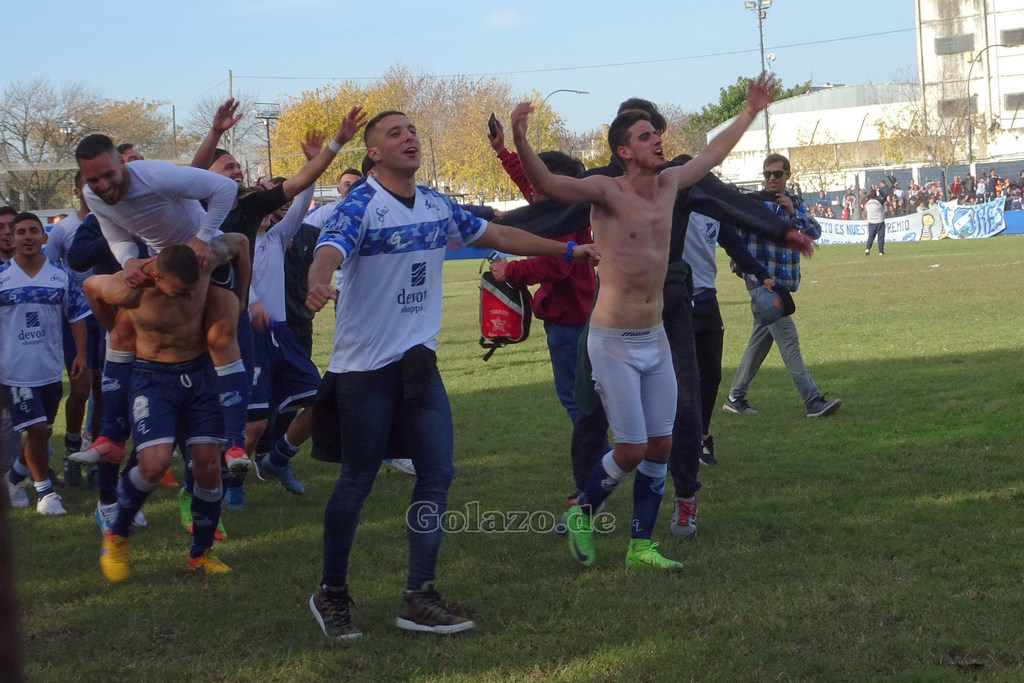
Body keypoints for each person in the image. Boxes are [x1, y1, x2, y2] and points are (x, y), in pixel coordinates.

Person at [305, 109, 599, 640]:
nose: (409, 137)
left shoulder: (436, 204)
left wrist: (570, 249)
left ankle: (419, 596)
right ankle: (332, 591)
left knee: (437, 475)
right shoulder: (359, 204)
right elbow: (329, 249)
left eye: (412, 130)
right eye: (395, 132)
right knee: (357, 482)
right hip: (364, 370)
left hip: (418, 365)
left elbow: (499, 234)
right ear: (374, 152)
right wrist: (318, 280)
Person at [511, 74, 779, 570]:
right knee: (632, 449)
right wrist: (521, 140)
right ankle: (582, 513)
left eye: (656, 133)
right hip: (613, 341)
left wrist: (749, 111)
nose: (657, 139)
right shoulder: (605, 191)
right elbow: (547, 185)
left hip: (655, 337)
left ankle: (640, 546)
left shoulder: (671, 184)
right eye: (645, 135)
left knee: (661, 444)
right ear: (625, 151)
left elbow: (712, 155)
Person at [84, 234, 250, 581]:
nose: (190, 297)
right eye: (180, 292)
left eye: (193, 289)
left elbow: (240, 243)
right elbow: (89, 286)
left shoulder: (204, 259)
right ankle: (117, 535)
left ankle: (201, 553)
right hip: (153, 378)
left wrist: (242, 298)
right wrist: (113, 329)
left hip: (201, 374)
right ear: (156, 277)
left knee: (209, 468)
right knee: (154, 464)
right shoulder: (128, 288)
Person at [485, 118, 595, 424]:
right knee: (588, 396)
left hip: (570, 320)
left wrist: (510, 270)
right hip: (580, 315)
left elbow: (555, 265)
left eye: (539, 182)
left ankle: (599, 453)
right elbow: (529, 182)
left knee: (575, 398)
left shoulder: (562, 215)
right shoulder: (565, 205)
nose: (531, 190)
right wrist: (502, 151)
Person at [723, 153, 841, 419]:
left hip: (783, 284)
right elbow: (734, 236)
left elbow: (814, 231)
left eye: (777, 174)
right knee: (788, 339)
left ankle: (734, 397)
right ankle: (813, 401)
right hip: (763, 283)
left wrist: (793, 213)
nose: (771, 179)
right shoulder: (753, 203)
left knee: (760, 341)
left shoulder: (794, 202)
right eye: (767, 174)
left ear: (788, 175)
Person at [2, 213, 90, 515]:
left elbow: (76, 316)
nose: (27, 237)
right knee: (37, 429)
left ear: (44, 237)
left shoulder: (60, 275)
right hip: (15, 372)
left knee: (42, 431)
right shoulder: (2, 277)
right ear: (13, 238)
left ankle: (14, 478)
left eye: (33, 231)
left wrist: (80, 354)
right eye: (21, 232)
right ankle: (45, 494)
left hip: (50, 371)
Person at [44, 172, 104, 485]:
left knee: (104, 390)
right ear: (78, 191)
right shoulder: (64, 229)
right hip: (77, 319)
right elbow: (49, 269)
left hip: (109, 316)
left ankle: (96, 454)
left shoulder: (115, 221)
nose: (96, 190)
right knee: (81, 388)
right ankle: (71, 448)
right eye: (88, 185)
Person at [864, 190, 886, 256]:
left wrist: (871, 192)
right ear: (876, 195)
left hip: (871, 222)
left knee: (871, 236)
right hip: (880, 221)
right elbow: (884, 195)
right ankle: (880, 251)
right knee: (880, 237)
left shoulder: (867, 202)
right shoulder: (879, 202)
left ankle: (867, 248)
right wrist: (879, 190)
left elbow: (867, 197)